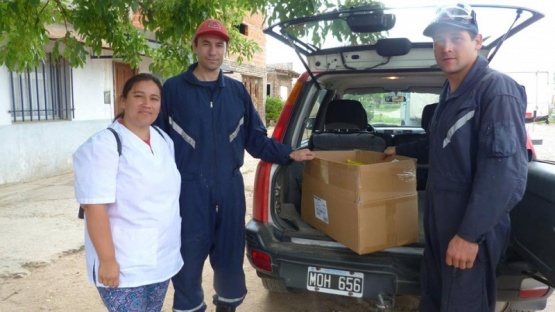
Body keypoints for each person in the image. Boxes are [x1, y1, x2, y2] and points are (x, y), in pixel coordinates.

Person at [154, 18, 315, 312]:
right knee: (187, 258)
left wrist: (289, 154)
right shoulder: (173, 90)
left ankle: (227, 307)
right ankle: (190, 307)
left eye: (219, 45)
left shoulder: (236, 91)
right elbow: (153, 141)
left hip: (230, 187)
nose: (213, 51)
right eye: (206, 44)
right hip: (188, 190)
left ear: (226, 49)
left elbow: (255, 139)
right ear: (195, 46)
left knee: (229, 258)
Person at [384, 3, 528, 311]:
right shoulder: (451, 93)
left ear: (477, 41)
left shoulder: (496, 89)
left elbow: (505, 172)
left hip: (469, 227)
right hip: (440, 223)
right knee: (436, 300)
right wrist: (399, 149)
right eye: (438, 40)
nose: (445, 47)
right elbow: (439, 144)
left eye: (456, 38)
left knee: (462, 304)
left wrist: (469, 235)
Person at [73, 73, 183, 311]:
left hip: (161, 258)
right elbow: (94, 207)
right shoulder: (103, 145)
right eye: (139, 96)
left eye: (154, 98)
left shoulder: (164, 140)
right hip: (124, 262)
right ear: (123, 101)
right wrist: (108, 260)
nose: (147, 104)